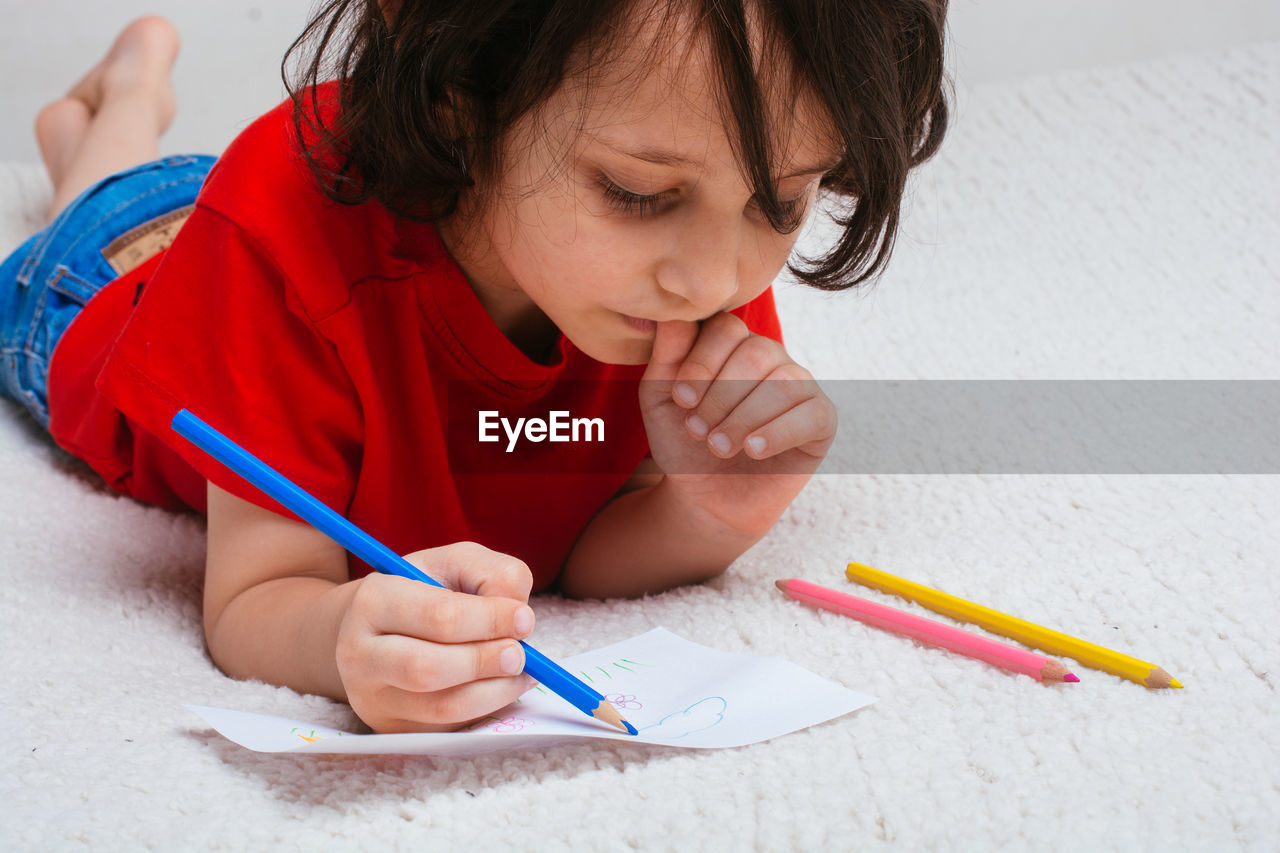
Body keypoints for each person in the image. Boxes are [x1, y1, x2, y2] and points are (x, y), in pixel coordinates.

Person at [0, 1, 948, 733]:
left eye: (782, 202)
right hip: (117, 277)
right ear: (458, 94)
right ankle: (113, 124)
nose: (716, 275)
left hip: (290, 222)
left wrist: (705, 512)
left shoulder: (692, 252)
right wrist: (340, 641)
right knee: (103, 209)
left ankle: (111, 115)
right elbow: (252, 599)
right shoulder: (275, 244)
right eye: (638, 192)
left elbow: (582, 554)